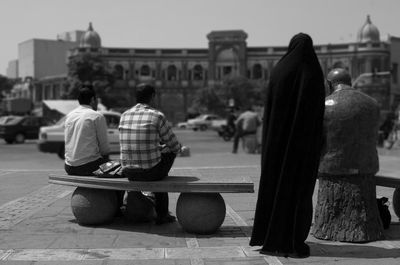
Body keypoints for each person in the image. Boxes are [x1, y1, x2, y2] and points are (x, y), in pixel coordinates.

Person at [249, 33, 325, 258]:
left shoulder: (278, 70)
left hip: (276, 147)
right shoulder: (312, 72)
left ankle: (269, 237)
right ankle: (293, 240)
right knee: (298, 192)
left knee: (274, 186)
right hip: (302, 148)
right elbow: (316, 116)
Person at [119, 83, 184, 225]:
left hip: (128, 171)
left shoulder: (124, 115)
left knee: (157, 159)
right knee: (169, 154)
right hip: (151, 172)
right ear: (153, 97)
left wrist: (156, 148)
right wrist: (174, 148)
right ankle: (162, 214)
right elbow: (174, 145)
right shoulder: (157, 115)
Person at [64, 85, 110, 175]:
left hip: (69, 167)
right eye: (96, 100)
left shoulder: (70, 116)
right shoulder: (97, 116)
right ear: (93, 100)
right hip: (88, 166)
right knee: (117, 167)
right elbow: (104, 149)